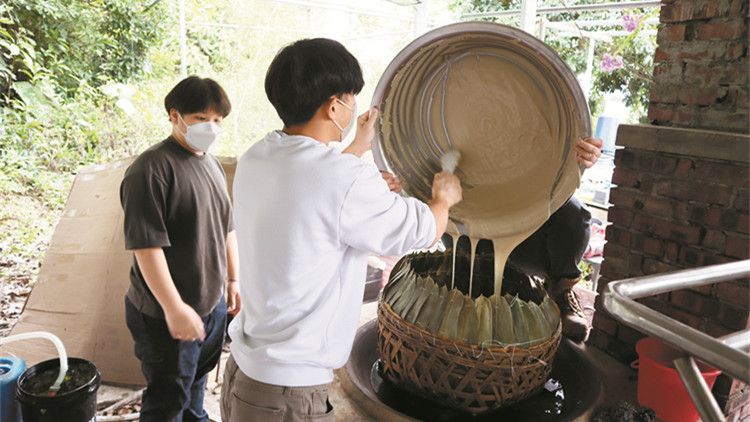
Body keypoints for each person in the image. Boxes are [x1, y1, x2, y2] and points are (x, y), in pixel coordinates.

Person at [221, 38, 462, 422]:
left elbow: (308, 188)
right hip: (288, 394)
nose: (352, 106)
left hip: (245, 375)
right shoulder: (342, 180)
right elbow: (421, 232)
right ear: (334, 106)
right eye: (350, 98)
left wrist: (356, 150)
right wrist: (443, 199)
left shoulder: (257, 157)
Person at [119, 76, 242, 422]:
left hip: (210, 303)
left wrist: (234, 281)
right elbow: (147, 246)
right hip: (165, 314)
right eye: (202, 119)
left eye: (218, 120)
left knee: (196, 382)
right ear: (176, 116)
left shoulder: (211, 164)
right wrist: (174, 308)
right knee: (166, 400)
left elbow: (227, 225)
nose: (212, 127)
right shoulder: (150, 169)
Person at [507, 136, 604, 343]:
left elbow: (570, 141)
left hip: (530, 225)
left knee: (575, 214)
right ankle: (469, 276)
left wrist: (584, 152)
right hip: (478, 224)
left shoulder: (547, 116)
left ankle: (561, 290)